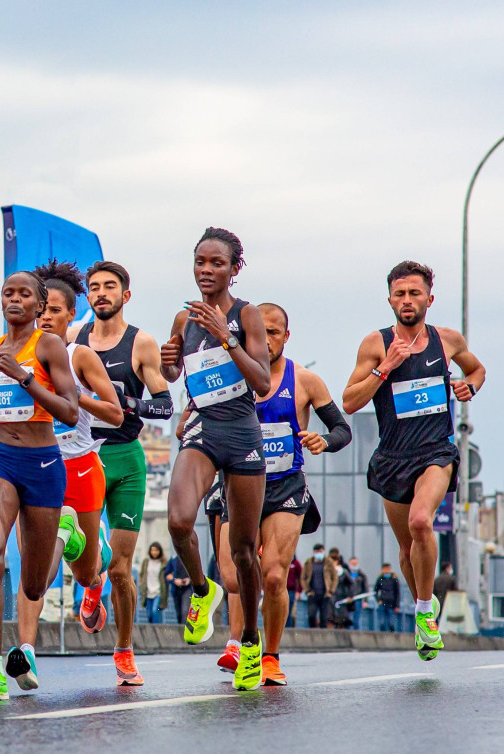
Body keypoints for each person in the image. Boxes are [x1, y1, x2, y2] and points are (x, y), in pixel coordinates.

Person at [342, 260, 486, 661]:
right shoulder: (375, 343)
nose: (407, 300)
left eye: (415, 293)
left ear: (429, 299)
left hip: (436, 452)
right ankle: (425, 603)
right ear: (390, 299)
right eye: (400, 293)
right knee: (407, 551)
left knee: (422, 521)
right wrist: (385, 367)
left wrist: (467, 386)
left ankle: (425, 613)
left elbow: (477, 370)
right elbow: (350, 402)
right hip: (393, 457)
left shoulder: (448, 340)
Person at [202, 302, 353, 683]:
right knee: (235, 575)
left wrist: (324, 440)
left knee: (273, 576)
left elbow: (342, 429)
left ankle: (269, 656)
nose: (267, 340)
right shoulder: (227, 375)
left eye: (274, 332)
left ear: (286, 337)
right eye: (261, 332)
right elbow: (191, 422)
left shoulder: (304, 380)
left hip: (284, 486)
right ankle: (241, 642)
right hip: (236, 485)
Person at [160, 227, 272, 691]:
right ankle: (202, 592)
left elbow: (262, 381)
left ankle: (249, 643)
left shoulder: (248, 316)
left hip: (241, 430)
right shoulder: (184, 319)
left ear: (235, 269)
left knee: (244, 551)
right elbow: (171, 373)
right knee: (179, 522)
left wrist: (226, 338)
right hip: (204, 429)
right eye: (200, 262)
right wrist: (169, 362)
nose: (206, 271)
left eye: (217, 263)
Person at [0, 270, 79, 702]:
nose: (15, 299)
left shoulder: (49, 346)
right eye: (7, 293)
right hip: (1, 460)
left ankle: (64, 531)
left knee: (33, 587)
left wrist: (25, 378)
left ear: (38, 303)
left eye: (24, 294)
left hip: (44, 463)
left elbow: (69, 412)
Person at [11, 261, 124, 662]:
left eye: (54, 311)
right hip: (36, 466)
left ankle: (97, 567)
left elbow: (116, 414)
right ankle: (25, 649)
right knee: (33, 566)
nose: (44, 317)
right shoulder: (17, 356)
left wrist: (72, 397)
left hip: (80, 469)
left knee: (85, 572)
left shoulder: (79, 356)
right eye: (40, 310)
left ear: (71, 313)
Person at [74, 260, 174, 686]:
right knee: (89, 556)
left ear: (125, 295)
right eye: (94, 287)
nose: (100, 294)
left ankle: (125, 649)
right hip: (84, 455)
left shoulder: (141, 344)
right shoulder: (73, 340)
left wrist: (126, 406)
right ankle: (90, 584)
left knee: (121, 568)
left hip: (128, 458)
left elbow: (165, 406)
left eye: (109, 287)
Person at [139, 543, 169, 625]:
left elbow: (167, 574)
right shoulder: (146, 562)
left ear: (160, 551)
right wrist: (141, 583)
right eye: (152, 550)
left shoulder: (164, 563)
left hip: (158, 591)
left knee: (155, 611)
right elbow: (142, 574)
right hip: (148, 591)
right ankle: (152, 629)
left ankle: (157, 629)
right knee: (149, 614)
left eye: (156, 550)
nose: (154, 552)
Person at [303, 545, 330, 628]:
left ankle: (323, 634)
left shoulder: (328, 563)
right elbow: (303, 577)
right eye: (317, 551)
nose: (319, 553)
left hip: (324, 594)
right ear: (314, 552)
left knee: (324, 617)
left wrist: (331, 591)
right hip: (313, 594)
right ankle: (313, 632)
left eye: (321, 551)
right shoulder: (309, 563)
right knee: (311, 615)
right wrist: (307, 590)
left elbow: (334, 577)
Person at [374, 563, 402, 632]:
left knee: (391, 623)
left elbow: (397, 593)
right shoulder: (380, 579)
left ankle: (391, 636)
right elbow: (375, 591)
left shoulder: (394, 579)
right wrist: (378, 600)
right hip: (382, 602)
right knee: (382, 622)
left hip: (392, 603)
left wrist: (397, 605)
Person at [343, 557, 369, 629]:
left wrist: (365, 601)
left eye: (356, 563)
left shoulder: (362, 575)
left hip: (358, 599)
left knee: (356, 620)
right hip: (347, 600)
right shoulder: (345, 574)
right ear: (349, 564)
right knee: (347, 619)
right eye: (352, 563)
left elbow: (366, 588)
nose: (354, 565)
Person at [166, 555, 192, 625]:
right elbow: (167, 574)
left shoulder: (191, 558)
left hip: (188, 588)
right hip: (176, 589)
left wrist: (189, 580)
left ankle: (185, 630)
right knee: (179, 613)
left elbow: (198, 573)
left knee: (185, 611)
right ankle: (181, 630)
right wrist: (174, 580)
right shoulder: (173, 559)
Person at [286, 557, 303, 629]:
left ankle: (288, 628)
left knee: (288, 611)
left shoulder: (296, 563)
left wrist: (299, 591)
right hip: (281, 590)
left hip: (291, 591)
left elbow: (301, 578)